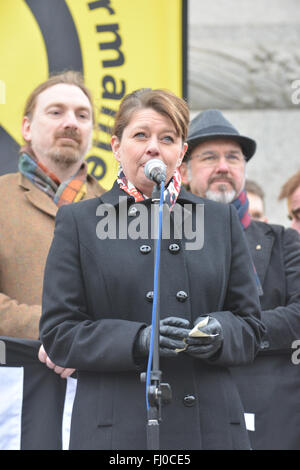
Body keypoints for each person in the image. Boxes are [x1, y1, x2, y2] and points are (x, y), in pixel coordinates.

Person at [39, 89, 264, 450]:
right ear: (116, 146)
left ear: (182, 152)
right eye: (140, 135)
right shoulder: (79, 221)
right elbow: (59, 334)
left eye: (168, 138)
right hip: (116, 429)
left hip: (211, 427)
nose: (154, 147)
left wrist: (220, 333)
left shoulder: (219, 220)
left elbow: (252, 327)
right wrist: (139, 339)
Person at [180, 109, 300, 449]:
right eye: (209, 157)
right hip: (189, 407)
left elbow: (297, 315)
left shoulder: (282, 240)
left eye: (233, 157)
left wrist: (227, 333)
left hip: (268, 415)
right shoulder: (160, 240)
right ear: (185, 171)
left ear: (244, 170)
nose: (223, 166)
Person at [0, 71, 105, 377]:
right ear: (26, 128)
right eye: (56, 112)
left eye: (82, 115)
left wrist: (87, 339)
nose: (70, 122)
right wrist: (58, 331)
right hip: (13, 388)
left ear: (93, 133)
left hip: (98, 390)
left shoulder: (122, 209)